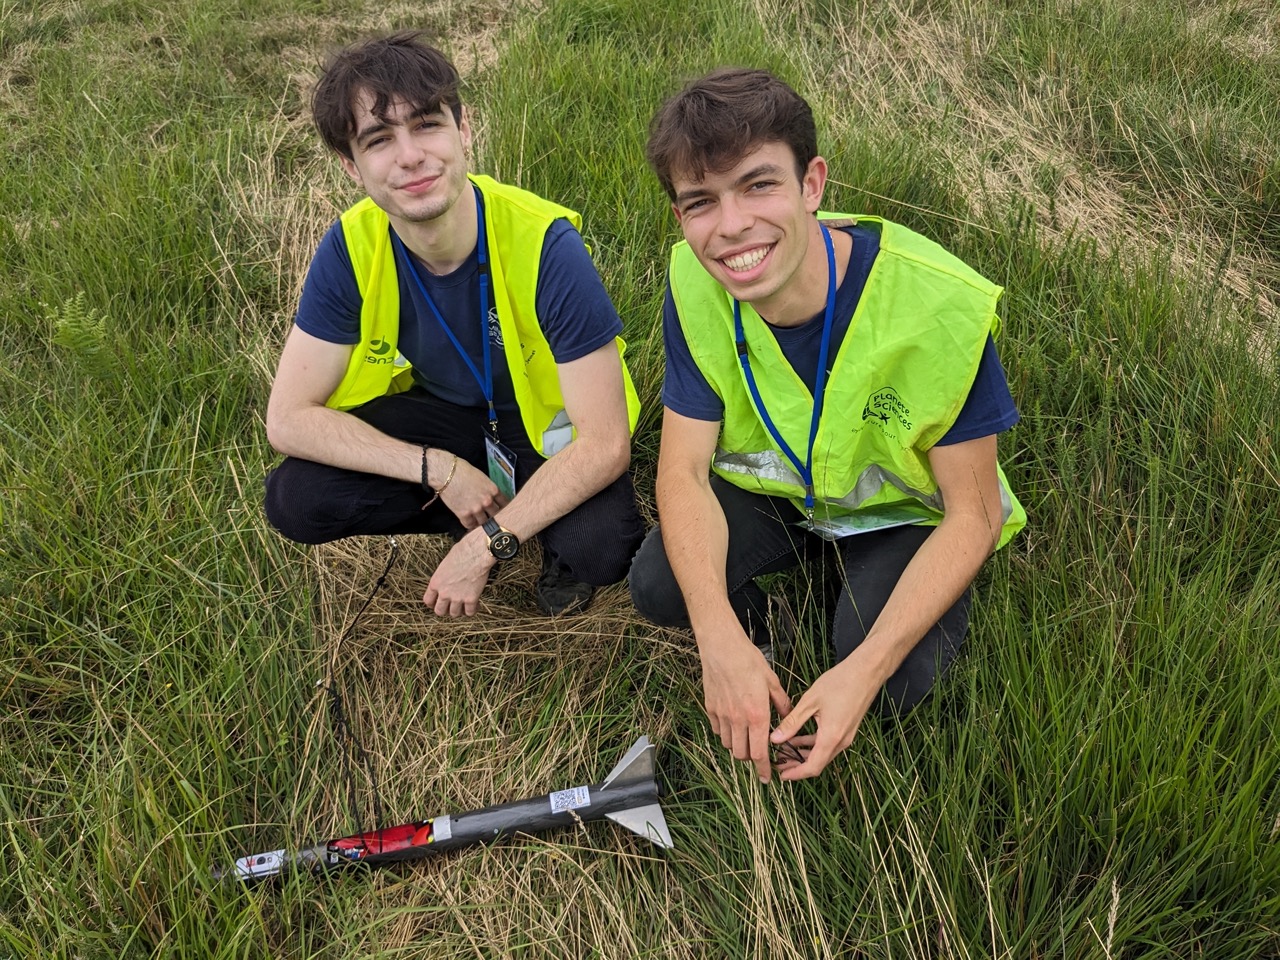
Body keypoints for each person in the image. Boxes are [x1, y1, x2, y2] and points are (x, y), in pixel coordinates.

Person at [629, 68, 1026, 782]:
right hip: (785, 501)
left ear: (812, 184)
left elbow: (975, 515)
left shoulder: (935, 305)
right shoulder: (694, 281)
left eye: (758, 185)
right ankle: (760, 654)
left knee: (899, 684)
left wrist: (862, 674)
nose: (731, 228)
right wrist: (719, 637)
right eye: (700, 203)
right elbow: (682, 469)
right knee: (661, 585)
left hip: (899, 515)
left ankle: (855, 640)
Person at [264, 33, 644, 617]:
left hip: (548, 427)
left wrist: (487, 547)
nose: (411, 156)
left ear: (463, 132)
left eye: (426, 125)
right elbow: (288, 420)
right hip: (443, 421)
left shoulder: (546, 244)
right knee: (298, 498)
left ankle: (513, 525)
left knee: (601, 548)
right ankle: (473, 498)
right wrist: (436, 469)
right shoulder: (350, 247)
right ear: (352, 167)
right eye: (380, 139)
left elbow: (607, 443)